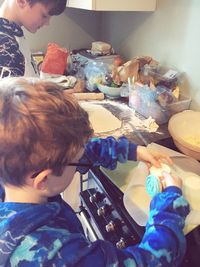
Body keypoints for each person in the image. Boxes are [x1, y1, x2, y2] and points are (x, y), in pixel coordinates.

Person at [0, 77, 190, 267]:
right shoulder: (54, 255)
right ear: (44, 179)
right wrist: (170, 206)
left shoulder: (12, 168)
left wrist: (131, 151)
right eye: (77, 164)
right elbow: (148, 262)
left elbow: (74, 152)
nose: (79, 163)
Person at [0, 0, 67, 78]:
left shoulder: (14, 33)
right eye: (44, 16)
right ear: (21, 1)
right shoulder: (4, 43)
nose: (47, 23)